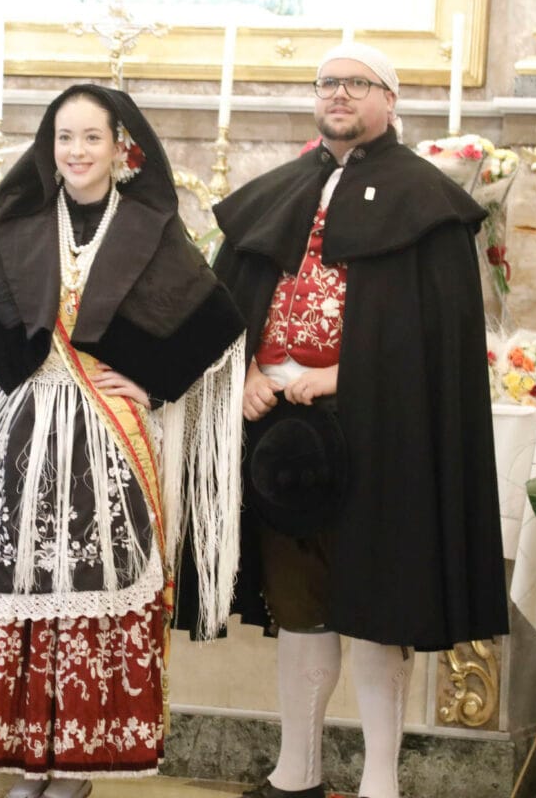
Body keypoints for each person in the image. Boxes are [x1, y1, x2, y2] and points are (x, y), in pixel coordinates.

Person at [205, 43, 510, 798]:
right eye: (328, 83)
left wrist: (343, 374)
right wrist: (240, 371)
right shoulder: (277, 191)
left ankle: (381, 782)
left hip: (383, 430)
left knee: (380, 605)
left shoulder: (426, 201)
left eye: (357, 84)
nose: (339, 95)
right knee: (299, 606)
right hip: (280, 437)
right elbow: (224, 305)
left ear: (390, 100)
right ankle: (295, 771)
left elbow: (434, 339)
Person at [0, 84, 246, 798]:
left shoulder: (149, 226)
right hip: (21, 432)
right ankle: (22, 762)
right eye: (63, 138)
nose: (75, 151)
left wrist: (155, 382)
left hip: (106, 440)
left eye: (91, 138)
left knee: (93, 589)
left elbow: (211, 318)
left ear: (121, 146)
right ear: (50, 146)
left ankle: (77, 766)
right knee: (19, 582)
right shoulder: (18, 219)